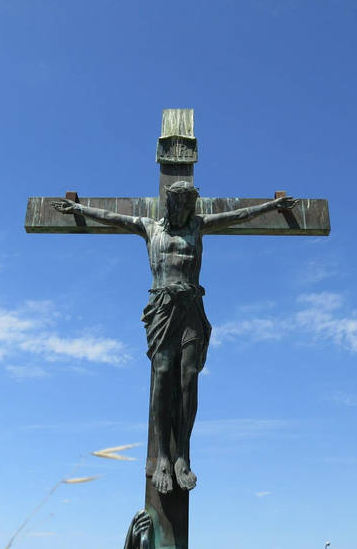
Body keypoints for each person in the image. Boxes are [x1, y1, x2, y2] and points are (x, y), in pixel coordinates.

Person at [52, 182, 295, 494]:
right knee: (163, 373)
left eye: (187, 206)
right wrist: (79, 209)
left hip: (191, 307)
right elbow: (112, 217)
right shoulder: (149, 227)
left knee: (188, 377)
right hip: (162, 308)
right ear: (169, 205)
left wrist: (271, 207)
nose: (182, 211)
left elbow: (239, 215)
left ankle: (183, 456)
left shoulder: (198, 226)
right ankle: (163, 458)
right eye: (177, 205)